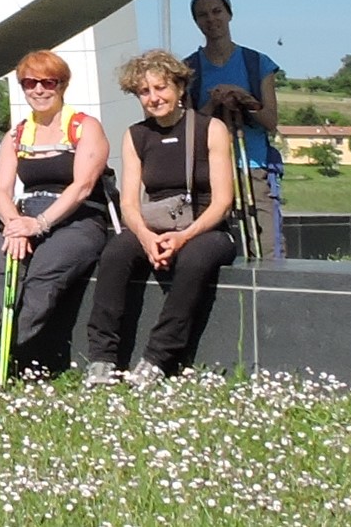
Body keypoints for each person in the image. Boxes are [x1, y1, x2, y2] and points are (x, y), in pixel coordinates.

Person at [84, 50, 240, 384]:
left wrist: (184, 237)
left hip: (206, 227)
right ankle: (102, 358)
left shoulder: (210, 129)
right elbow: (129, 203)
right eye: (145, 91)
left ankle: (159, 356)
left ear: (180, 87)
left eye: (161, 88)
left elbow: (223, 201)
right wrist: (145, 237)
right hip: (154, 225)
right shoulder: (136, 136)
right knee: (115, 254)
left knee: (194, 261)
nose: (154, 98)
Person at [0, 48, 111, 377]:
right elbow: (0, 190)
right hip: (26, 215)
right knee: (2, 259)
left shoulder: (85, 127)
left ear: (62, 85)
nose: (38, 90)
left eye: (47, 82)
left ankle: (7, 349)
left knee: (44, 269)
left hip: (77, 218)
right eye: (29, 83)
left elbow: (82, 187)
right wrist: (14, 225)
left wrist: (38, 224)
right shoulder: (17, 134)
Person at [184, 0, 283, 259]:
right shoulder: (188, 69)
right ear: (196, 21)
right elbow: (190, 128)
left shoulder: (257, 63)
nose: (211, 20)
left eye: (216, 11)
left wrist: (244, 98)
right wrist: (213, 103)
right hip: (211, 171)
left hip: (253, 167)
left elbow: (270, 120)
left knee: (267, 247)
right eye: (203, 15)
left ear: (229, 14)